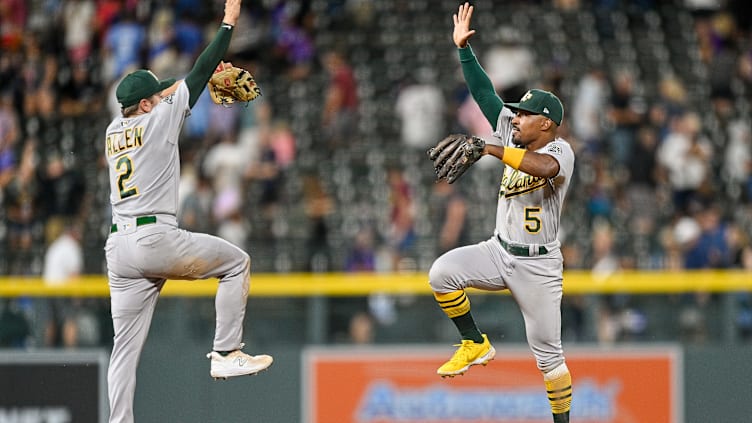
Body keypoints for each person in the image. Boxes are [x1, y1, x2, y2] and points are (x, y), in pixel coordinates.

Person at [103, 1, 272, 422]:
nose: (164, 97)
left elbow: (181, 85)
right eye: (157, 95)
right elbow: (197, 74)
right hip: (154, 238)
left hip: (119, 247)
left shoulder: (113, 130)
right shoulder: (157, 119)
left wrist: (179, 86)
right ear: (145, 105)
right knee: (236, 264)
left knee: (124, 348)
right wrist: (228, 24)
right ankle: (227, 352)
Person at [428, 4, 574, 423]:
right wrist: (464, 52)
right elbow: (485, 95)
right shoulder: (513, 132)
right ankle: (474, 343)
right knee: (442, 274)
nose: (517, 117)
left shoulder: (559, 150)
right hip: (499, 251)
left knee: (550, 360)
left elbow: (544, 169)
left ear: (546, 124)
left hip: (539, 266)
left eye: (526, 114)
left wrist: (489, 148)